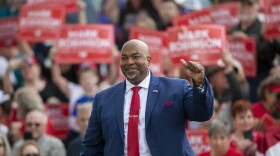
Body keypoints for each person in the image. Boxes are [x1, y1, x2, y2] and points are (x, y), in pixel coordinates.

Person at [81, 39, 214, 155]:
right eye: (124, 58)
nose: (130, 62)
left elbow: (201, 114)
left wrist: (199, 83)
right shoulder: (103, 99)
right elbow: (91, 146)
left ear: (148, 60)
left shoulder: (176, 88)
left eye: (136, 56)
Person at [229, 0, 280, 102]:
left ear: (257, 6)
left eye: (249, 4)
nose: (245, 8)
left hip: (259, 81)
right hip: (236, 83)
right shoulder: (232, 30)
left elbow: (272, 50)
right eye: (243, 4)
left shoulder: (265, 28)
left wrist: (248, 41)